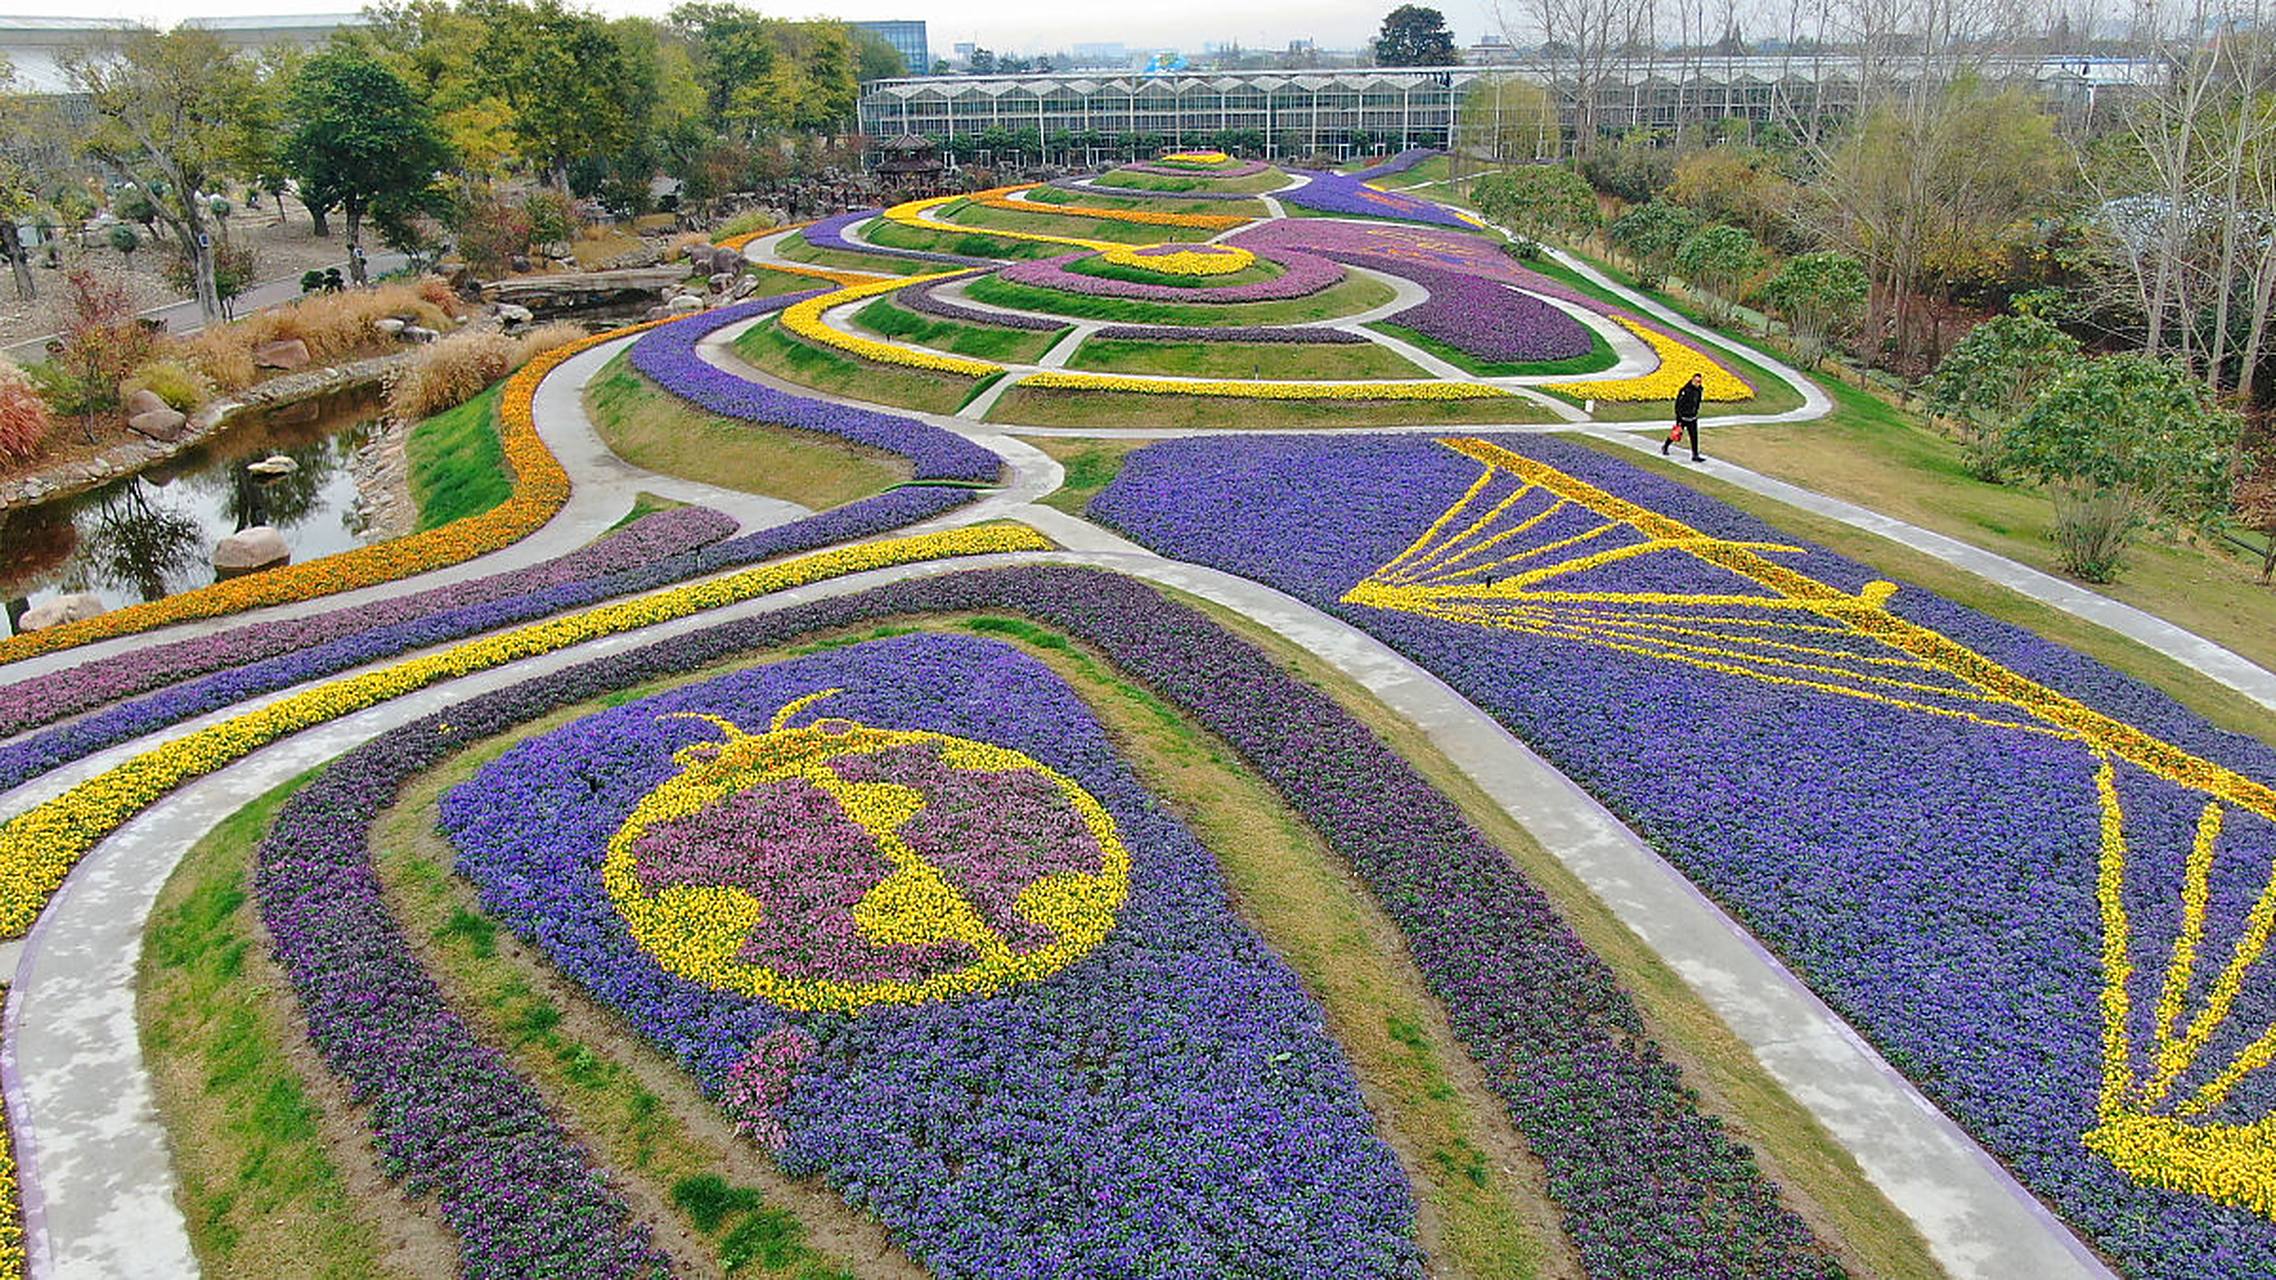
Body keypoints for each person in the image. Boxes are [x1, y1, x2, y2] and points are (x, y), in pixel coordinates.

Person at [1663, 372, 1705, 462]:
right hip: (1683, 417)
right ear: (1692, 380)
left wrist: (1696, 412)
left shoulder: (1700, 390)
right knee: (1676, 434)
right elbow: (1678, 405)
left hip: (1692, 417)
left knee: (1694, 437)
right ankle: (1665, 446)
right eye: (1697, 381)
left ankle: (1695, 455)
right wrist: (1679, 418)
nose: (1698, 383)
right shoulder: (1685, 390)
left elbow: (1697, 402)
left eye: (1700, 382)